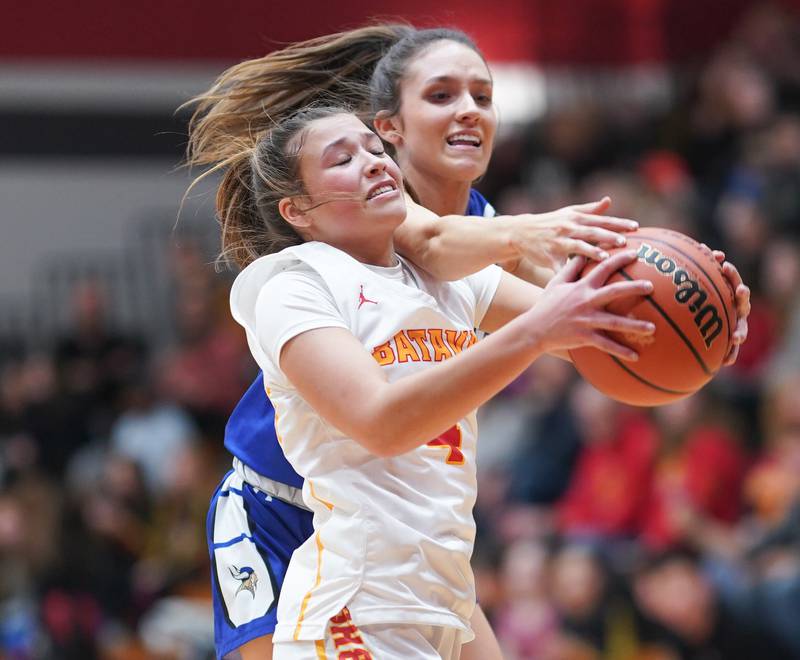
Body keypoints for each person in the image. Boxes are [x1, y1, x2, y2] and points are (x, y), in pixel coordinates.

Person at [188, 25, 751, 659]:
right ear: (393, 127)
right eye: (441, 95)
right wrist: (534, 235)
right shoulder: (385, 223)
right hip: (287, 504)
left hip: (419, 536)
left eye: (482, 96)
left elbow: (585, 326)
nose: (467, 110)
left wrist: (704, 324)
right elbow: (437, 248)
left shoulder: (480, 233)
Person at [214, 106, 657, 659]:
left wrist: (699, 323)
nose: (374, 162)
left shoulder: (449, 280)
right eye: (343, 159)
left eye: (375, 149)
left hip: (442, 593)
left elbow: (598, 337)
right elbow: (382, 422)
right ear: (296, 210)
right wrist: (533, 334)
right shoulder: (293, 285)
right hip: (360, 604)